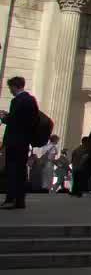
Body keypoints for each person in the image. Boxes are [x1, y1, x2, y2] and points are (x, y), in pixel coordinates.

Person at [2, 76, 37, 209]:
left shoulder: (17, 100)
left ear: (14, 87)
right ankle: (19, 200)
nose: (10, 90)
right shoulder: (31, 100)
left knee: (12, 171)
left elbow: (15, 121)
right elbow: (30, 120)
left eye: (10, 88)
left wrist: (5, 118)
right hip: (24, 141)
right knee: (20, 171)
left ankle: (11, 199)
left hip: (14, 141)